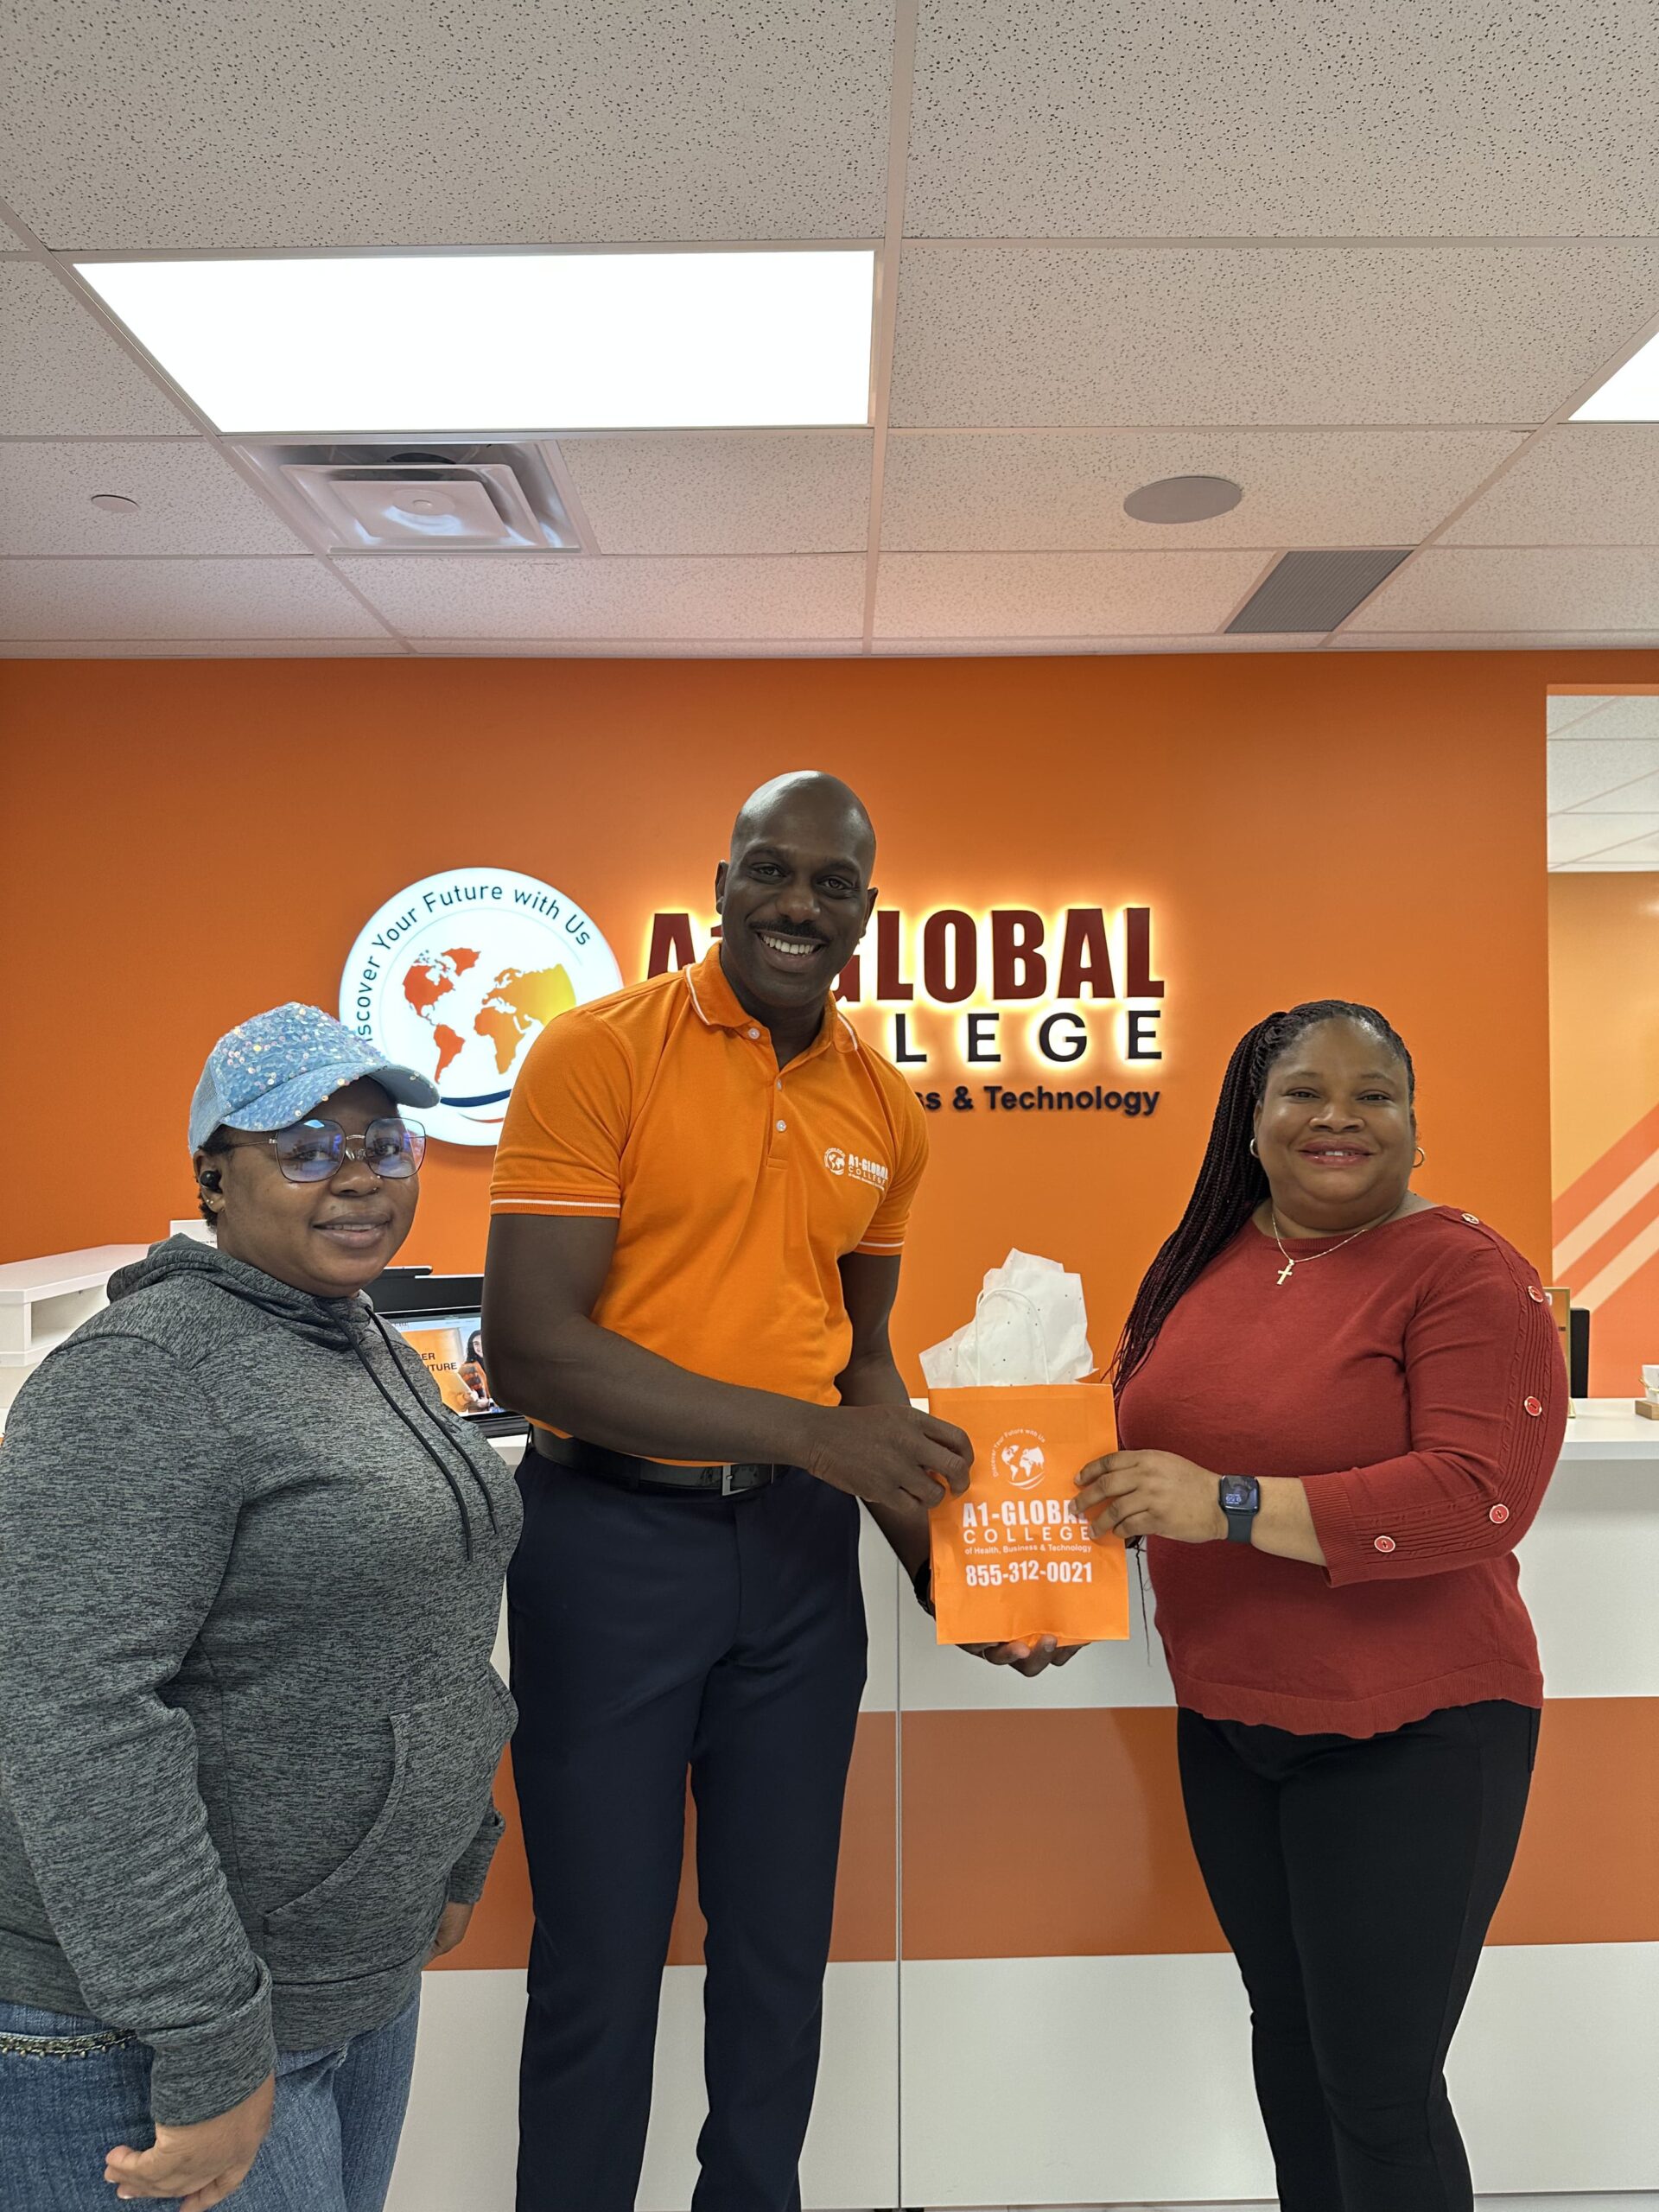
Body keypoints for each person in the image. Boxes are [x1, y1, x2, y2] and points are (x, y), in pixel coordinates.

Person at [486, 771, 1054, 2212]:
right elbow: (535, 1348)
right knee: (600, 1959)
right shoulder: (596, 1053)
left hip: (797, 1566)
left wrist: (953, 1571)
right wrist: (817, 1439)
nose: (799, 904)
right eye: (771, 871)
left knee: (777, 1956)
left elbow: (858, 1364)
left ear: (868, 909)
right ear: (723, 884)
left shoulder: (885, 1106)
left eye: (832, 883)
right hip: (607, 1544)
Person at [0, 1004, 521, 2212]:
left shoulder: (357, 1337)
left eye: (385, 1143)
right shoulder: (144, 1377)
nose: (359, 1176)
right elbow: (76, 1723)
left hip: (339, 1983)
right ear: (213, 1180)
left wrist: (455, 1843)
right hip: (140, 2030)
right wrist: (205, 2038)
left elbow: (431, 1630)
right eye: (304, 1148)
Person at [1075, 1001, 1566, 2212]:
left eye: (1373, 1095)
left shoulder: (1467, 1271)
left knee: (1380, 2091)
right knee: (1292, 2051)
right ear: (1251, 1121)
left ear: (1413, 1122)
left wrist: (1228, 1505)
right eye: (1303, 1091)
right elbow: (1133, 1449)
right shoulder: (1204, 1258)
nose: (1337, 1117)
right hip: (1232, 1723)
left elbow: (1481, 1496)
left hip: (1416, 1730)